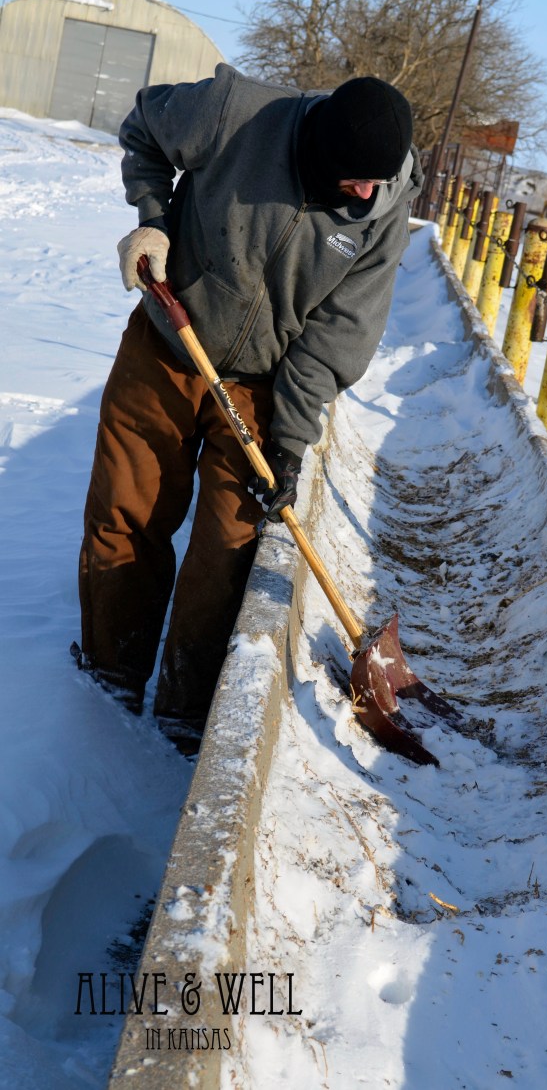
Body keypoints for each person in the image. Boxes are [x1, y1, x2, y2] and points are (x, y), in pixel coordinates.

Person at [72, 66, 421, 756]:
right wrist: (153, 222)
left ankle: (184, 711)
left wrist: (288, 446)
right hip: (169, 341)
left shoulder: (381, 210)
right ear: (319, 149)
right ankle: (109, 681)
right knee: (126, 510)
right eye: (354, 179)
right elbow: (143, 125)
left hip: (263, 382)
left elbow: (334, 339)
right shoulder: (233, 113)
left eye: (377, 183)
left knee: (228, 551)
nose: (365, 193)